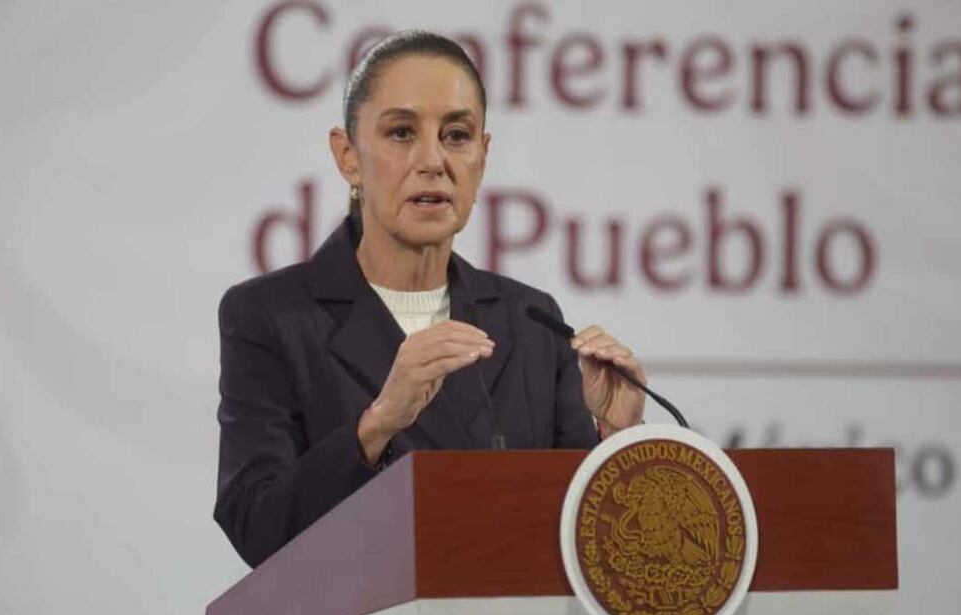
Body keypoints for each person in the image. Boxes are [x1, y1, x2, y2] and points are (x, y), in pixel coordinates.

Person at [215, 31, 647, 568]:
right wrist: (377, 424)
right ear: (347, 156)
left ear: (482, 157)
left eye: (457, 135)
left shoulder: (531, 319)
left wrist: (619, 439)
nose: (433, 160)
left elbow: (592, 547)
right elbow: (257, 526)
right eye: (401, 132)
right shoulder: (271, 315)